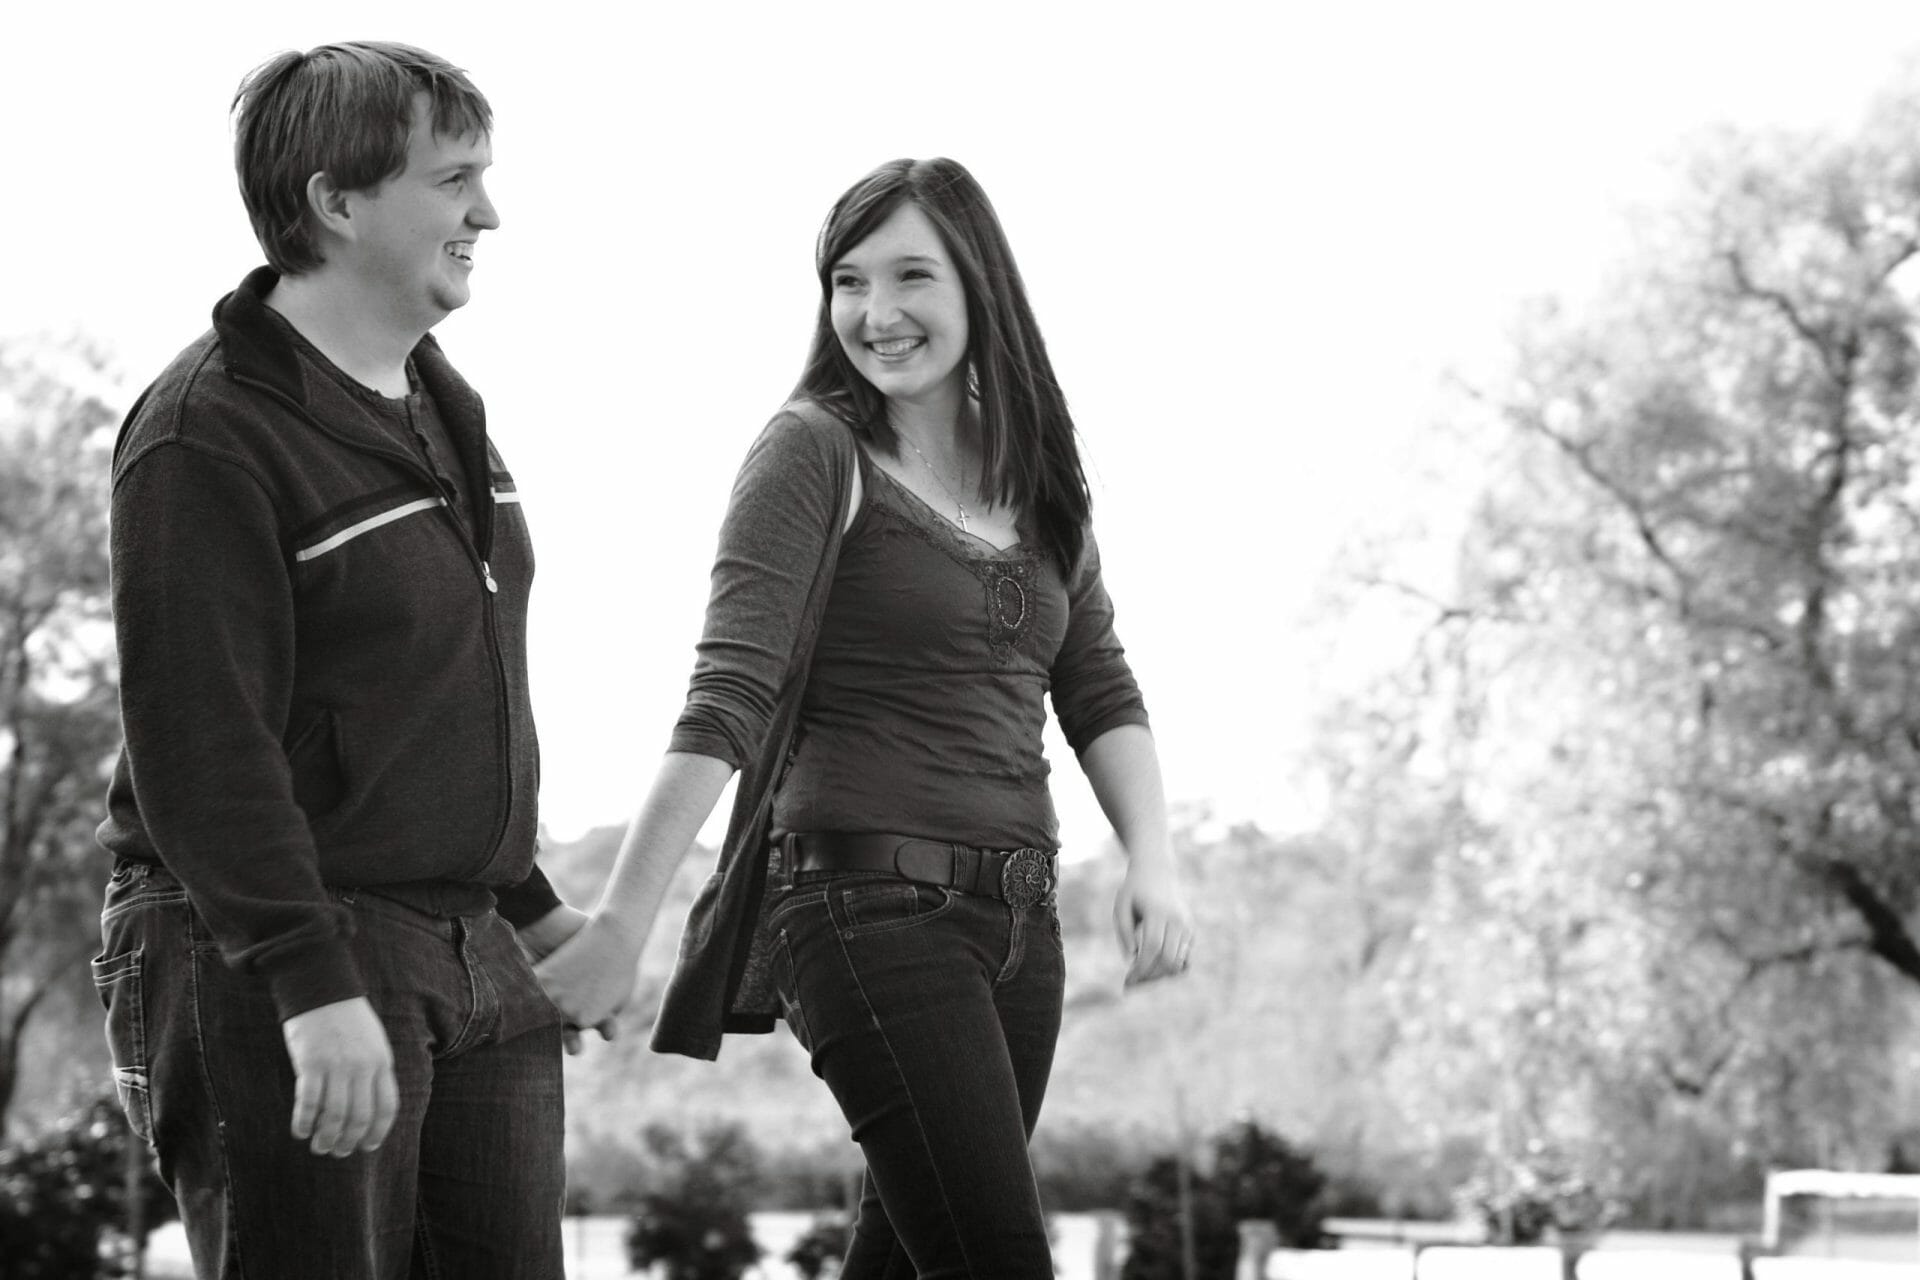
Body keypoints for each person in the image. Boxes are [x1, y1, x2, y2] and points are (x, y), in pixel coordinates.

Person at [535, 157, 1195, 1279]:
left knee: (907, 1258)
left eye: (910, 276)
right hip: (865, 906)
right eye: (848, 281)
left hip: (1021, 924)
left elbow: (1099, 682)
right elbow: (728, 694)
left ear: (981, 284)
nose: (875, 313)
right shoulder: (814, 450)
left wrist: (1155, 859)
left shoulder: (1039, 477)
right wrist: (620, 928)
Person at [92, 41, 581, 1279]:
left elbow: (422, 699)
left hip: (469, 940)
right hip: (279, 943)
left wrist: (532, 907)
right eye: (454, 180)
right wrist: (309, 984)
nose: (488, 213)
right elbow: (202, 744)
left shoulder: (443, 408)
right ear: (337, 200)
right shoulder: (205, 433)